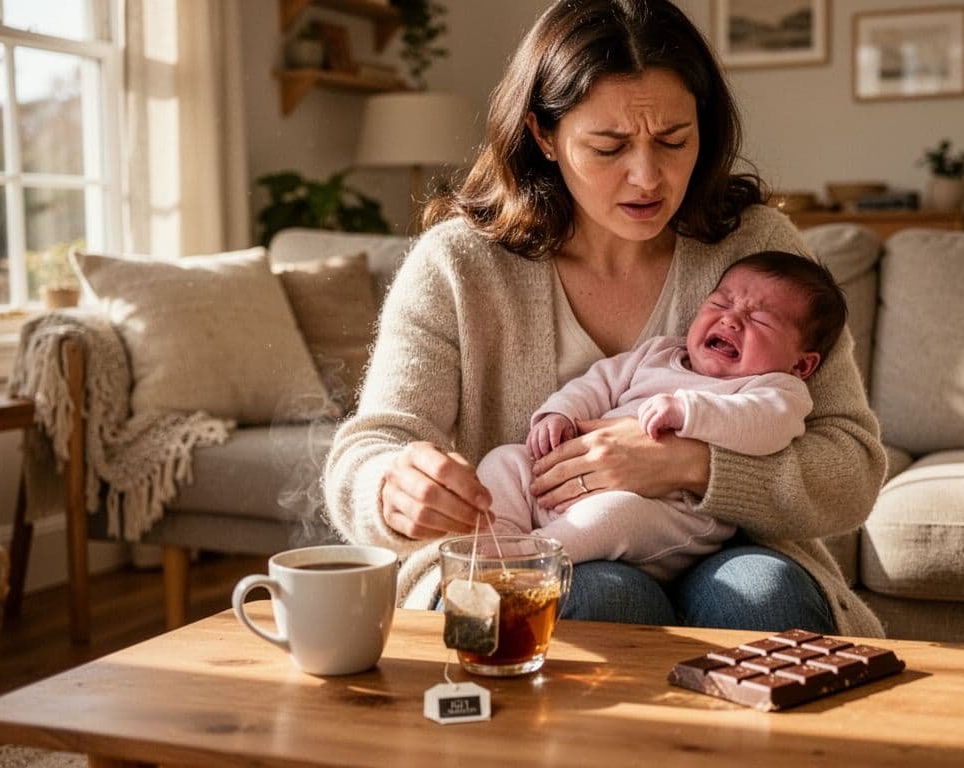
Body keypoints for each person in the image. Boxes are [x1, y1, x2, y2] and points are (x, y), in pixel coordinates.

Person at [322, 0, 888, 636]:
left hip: (724, 547)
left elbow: (853, 464)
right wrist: (391, 488)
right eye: (609, 146)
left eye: (674, 141)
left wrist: (689, 463)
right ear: (544, 135)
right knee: (601, 597)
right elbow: (372, 446)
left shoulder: (753, 246)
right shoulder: (458, 263)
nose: (647, 177)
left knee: (764, 595)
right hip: (527, 550)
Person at [478, 251, 847, 581]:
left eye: (760, 319)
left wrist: (689, 411)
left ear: (802, 363)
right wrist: (561, 412)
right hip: (568, 484)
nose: (731, 321)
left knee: (615, 513)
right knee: (505, 461)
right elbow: (597, 383)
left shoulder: (776, 390)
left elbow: (768, 428)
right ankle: (498, 542)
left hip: (668, 516)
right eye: (720, 303)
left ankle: (532, 556)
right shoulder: (657, 353)